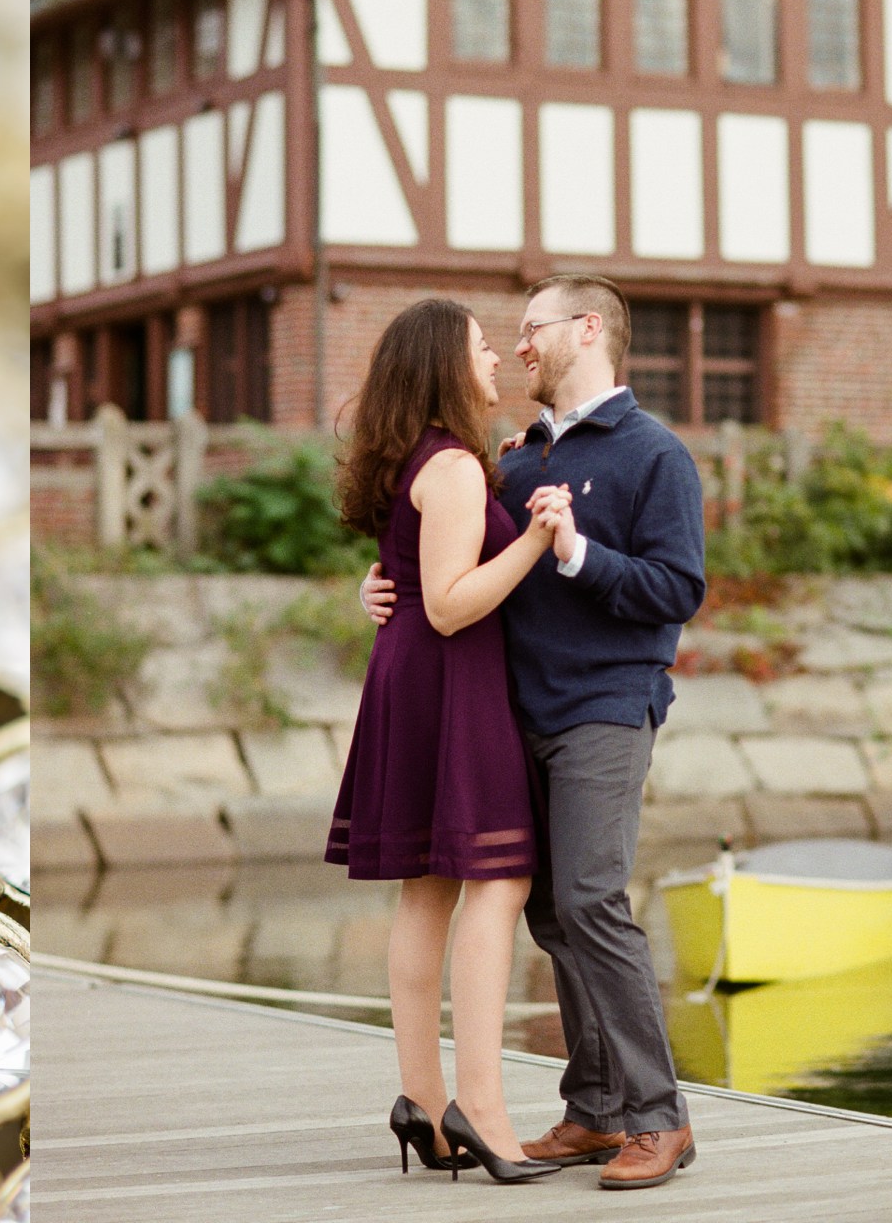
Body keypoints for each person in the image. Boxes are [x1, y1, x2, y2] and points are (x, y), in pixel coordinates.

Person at [361, 274, 707, 1191]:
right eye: (504, 335)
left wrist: (579, 554)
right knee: (553, 912)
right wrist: (380, 587)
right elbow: (444, 557)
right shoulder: (515, 460)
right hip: (513, 715)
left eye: (531, 329)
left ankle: (658, 1116)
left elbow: (678, 590)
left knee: (590, 899)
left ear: (587, 329)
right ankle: (594, 1110)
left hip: (604, 707)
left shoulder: (655, 454)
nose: (516, 347)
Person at [326, 297, 571, 1185]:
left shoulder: (409, 459)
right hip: (449, 679)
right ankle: (483, 1110)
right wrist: (539, 540)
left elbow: (405, 572)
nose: (496, 360)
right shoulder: (457, 468)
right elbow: (451, 600)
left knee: (427, 894)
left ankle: (425, 1109)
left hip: (408, 678)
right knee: (498, 879)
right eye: (479, 348)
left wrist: (377, 586)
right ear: (444, 363)